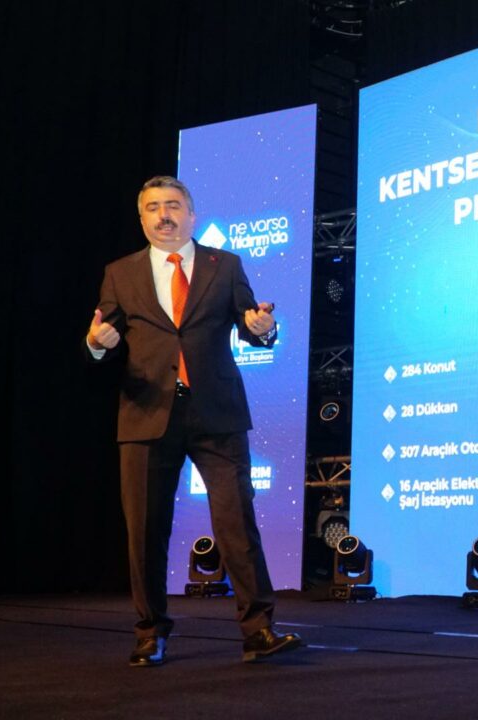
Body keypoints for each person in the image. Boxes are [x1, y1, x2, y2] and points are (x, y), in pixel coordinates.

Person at [85, 176, 302, 666]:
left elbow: (251, 322)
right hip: (145, 415)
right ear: (141, 218)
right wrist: (97, 344)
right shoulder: (120, 273)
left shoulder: (225, 265)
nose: (164, 215)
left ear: (191, 214)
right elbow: (102, 337)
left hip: (217, 414)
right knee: (145, 532)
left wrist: (262, 328)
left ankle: (259, 631)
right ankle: (150, 632)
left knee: (237, 523)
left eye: (173, 205)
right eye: (153, 207)